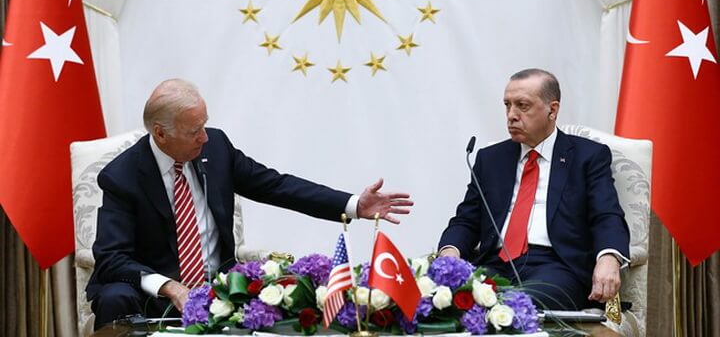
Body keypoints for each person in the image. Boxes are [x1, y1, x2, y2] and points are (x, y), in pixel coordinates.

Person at [87, 78, 413, 329]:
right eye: (194, 131)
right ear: (160, 134)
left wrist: (354, 204)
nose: (204, 137)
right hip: (156, 297)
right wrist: (171, 287)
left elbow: (277, 186)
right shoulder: (123, 176)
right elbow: (112, 258)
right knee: (114, 295)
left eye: (204, 125)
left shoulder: (216, 148)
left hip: (221, 287)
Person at [437, 68, 629, 309]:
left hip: (556, 266)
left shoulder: (587, 156)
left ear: (553, 109)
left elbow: (606, 215)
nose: (511, 115)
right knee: (442, 303)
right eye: (507, 105)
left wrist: (609, 258)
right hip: (494, 265)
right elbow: (466, 220)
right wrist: (450, 253)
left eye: (522, 106)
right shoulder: (491, 159)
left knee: (516, 306)